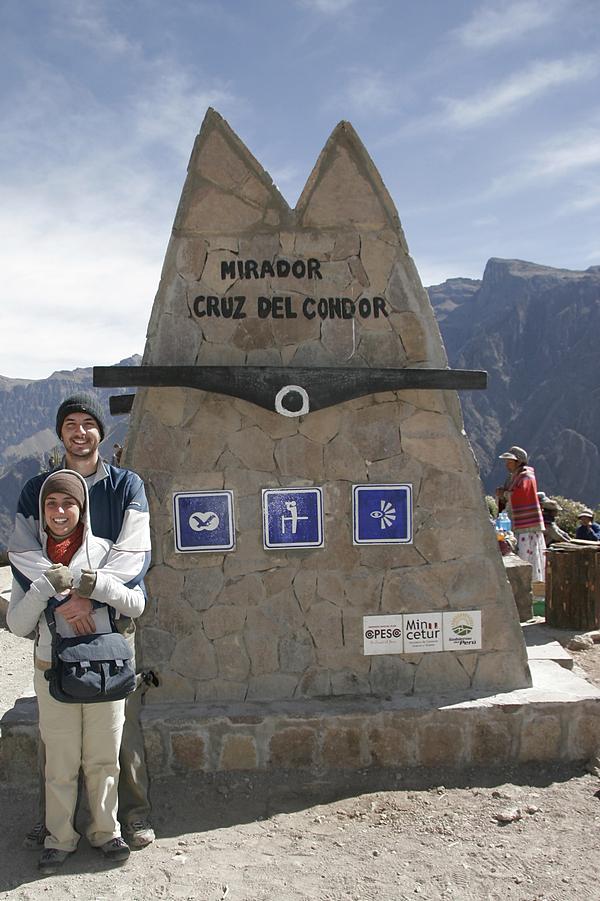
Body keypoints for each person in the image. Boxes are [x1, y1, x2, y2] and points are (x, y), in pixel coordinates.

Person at [8, 394, 154, 850]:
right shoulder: (38, 489)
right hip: (58, 622)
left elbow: (134, 553)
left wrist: (87, 597)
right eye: (70, 423)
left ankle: (131, 817)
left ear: (101, 431)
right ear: (61, 432)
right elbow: (25, 552)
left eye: (88, 423)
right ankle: (55, 822)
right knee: (58, 729)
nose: (79, 432)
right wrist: (65, 597)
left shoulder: (127, 486)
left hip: (110, 624)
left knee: (119, 725)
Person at [496, 445, 546, 582]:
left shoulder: (526, 476)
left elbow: (521, 494)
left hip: (527, 525)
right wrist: (502, 494)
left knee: (527, 551)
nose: (507, 464)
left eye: (510, 462)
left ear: (518, 462)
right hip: (515, 522)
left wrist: (505, 494)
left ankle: (531, 581)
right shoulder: (513, 477)